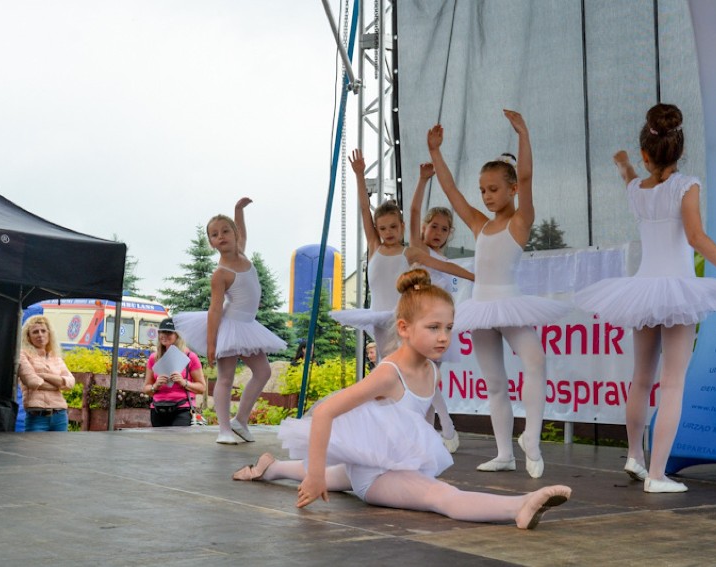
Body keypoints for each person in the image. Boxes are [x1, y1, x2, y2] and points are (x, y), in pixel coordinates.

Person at [233, 269, 571, 529]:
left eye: (449, 328)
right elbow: (325, 414)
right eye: (434, 327)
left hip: (382, 461)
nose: (443, 337)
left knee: (341, 475)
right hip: (376, 476)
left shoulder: (431, 370)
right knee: (441, 496)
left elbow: (408, 425)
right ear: (405, 328)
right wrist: (316, 475)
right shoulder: (388, 373)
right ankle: (520, 506)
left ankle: (270, 468)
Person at [574, 103, 716, 493]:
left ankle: (634, 455)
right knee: (674, 383)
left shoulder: (637, 189)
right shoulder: (687, 185)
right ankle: (657, 475)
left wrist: (623, 164)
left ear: (646, 154)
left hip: (644, 290)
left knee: (641, 378)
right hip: (677, 290)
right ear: (679, 150)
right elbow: (696, 238)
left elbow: (631, 177)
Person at [427, 110, 572, 478]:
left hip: (509, 302)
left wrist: (523, 133)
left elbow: (526, 175)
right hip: (481, 308)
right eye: (483, 190)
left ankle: (532, 440)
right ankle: (505, 452)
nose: (487, 196)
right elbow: (451, 192)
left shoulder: (520, 221)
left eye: (494, 189)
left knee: (535, 361)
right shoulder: (479, 223)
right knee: (495, 383)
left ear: (512, 190)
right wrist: (436, 153)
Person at [174, 198, 287, 444]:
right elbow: (214, 310)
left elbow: (241, 230)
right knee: (225, 377)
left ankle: (241, 420)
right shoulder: (221, 273)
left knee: (263, 371)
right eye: (215, 234)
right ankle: (224, 429)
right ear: (211, 243)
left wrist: (238, 210)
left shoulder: (243, 254)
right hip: (230, 325)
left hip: (248, 325)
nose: (221, 236)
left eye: (226, 231)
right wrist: (212, 345)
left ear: (235, 234)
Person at [406, 161, 476, 453]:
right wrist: (423, 180)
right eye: (433, 225)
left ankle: (430, 436)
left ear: (449, 235)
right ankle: (447, 429)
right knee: (426, 379)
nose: (437, 232)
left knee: (428, 382)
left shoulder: (445, 264)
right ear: (424, 227)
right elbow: (411, 212)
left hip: (439, 327)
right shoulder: (418, 250)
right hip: (420, 323)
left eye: (444, 229)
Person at [330, 149, 409, 360]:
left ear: (402, 226)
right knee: (386, 360)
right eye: (382, 229)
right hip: (380, 316)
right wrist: (359, 175)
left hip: (403, 316)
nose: (388, 233)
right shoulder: (375, 245)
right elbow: (365, 209)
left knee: (404, 359)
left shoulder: (409, 253)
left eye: (393, 227)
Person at [143, 318, 206, 427]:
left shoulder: (190, 357)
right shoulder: (154, 358)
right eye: (161, 332)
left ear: (177, 335)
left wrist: (184, 382)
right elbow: (146, 388)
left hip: (182, 409)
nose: (164, 335)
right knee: (159, 443)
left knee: (177, 442)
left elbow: (202, 388)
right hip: (158, 409)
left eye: (168, 332)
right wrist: (155, 386)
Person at [17, 316, 74, 432]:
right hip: (37, 417)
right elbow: (32, 382)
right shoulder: (22, 355)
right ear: (28, 337)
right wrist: (59, 384)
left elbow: (70, 382)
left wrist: (44, 376)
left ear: (49, 334)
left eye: (43, 331)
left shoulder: (55, 356)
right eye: (35, 332)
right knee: (35, 450)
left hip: (60, 416)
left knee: (59, 450)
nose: (40, 335)